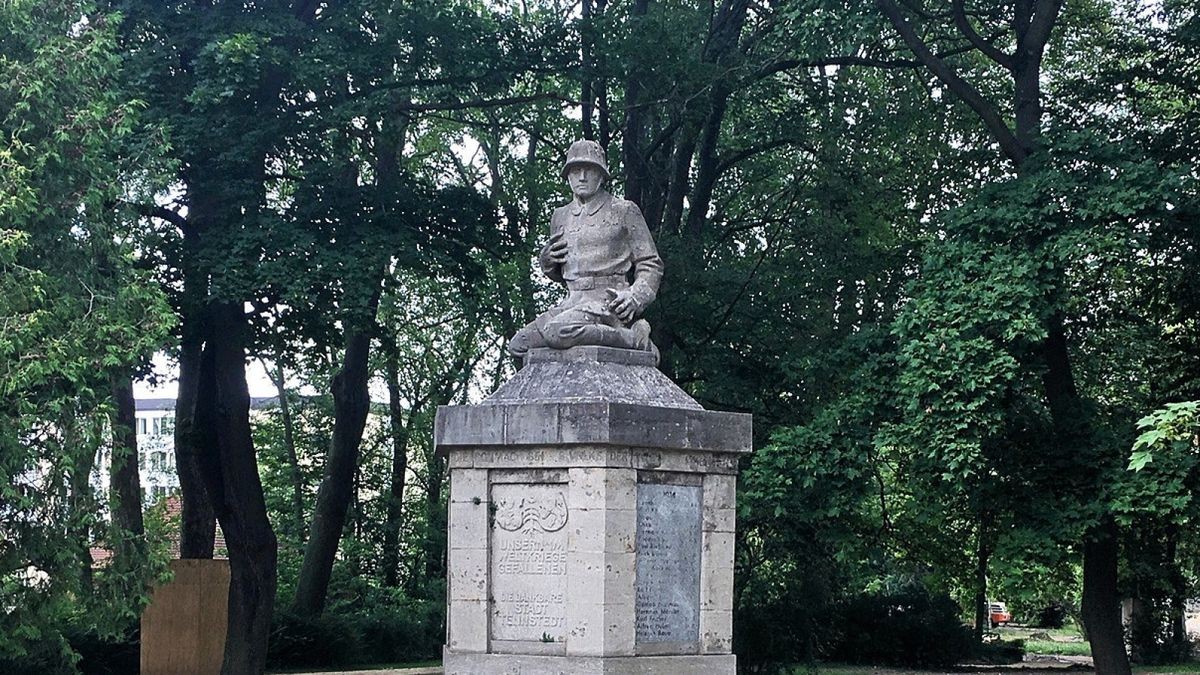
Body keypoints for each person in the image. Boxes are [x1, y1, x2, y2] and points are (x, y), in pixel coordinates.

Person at [508, 140, 663, 360]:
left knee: (556, 332)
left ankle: (632, 338)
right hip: (572, 302)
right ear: (568, 176)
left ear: (601, 175)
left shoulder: (624, 210)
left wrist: (634, 298)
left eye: (589, 170)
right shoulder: (560, 216)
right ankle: (617, 336)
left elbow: (651, 264)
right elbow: (563, 271)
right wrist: (548, 262)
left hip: (608, 301)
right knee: (519, 345)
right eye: (575, 170)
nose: (581, 176)